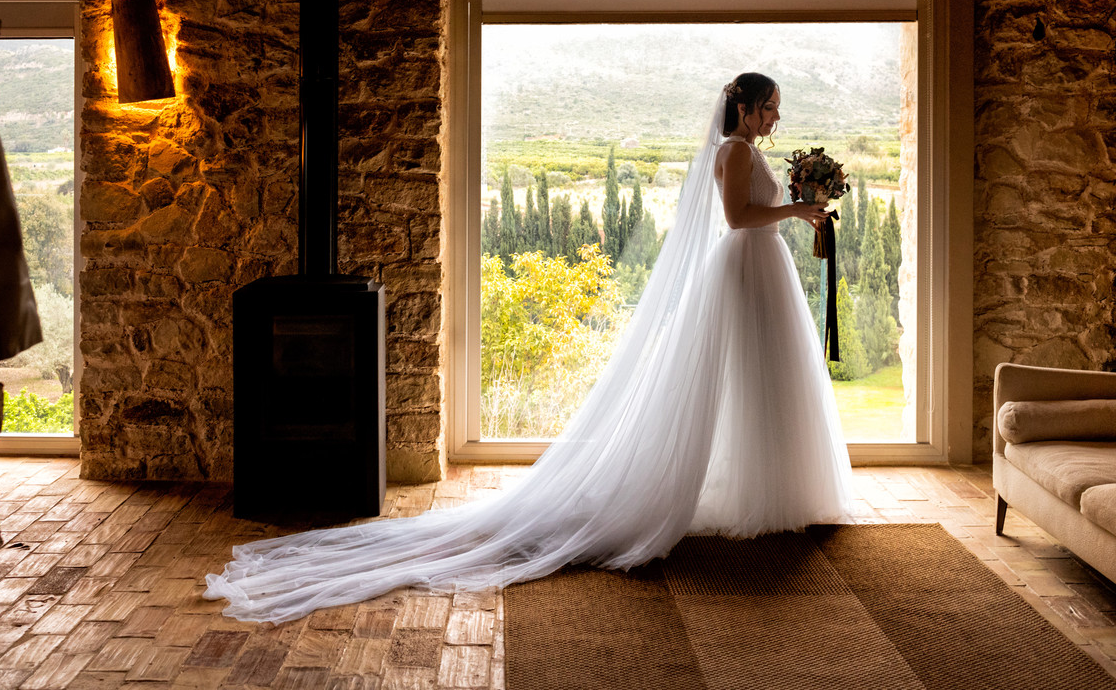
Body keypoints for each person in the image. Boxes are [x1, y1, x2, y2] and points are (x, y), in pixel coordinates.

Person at [204, 72, 854, 624]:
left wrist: (803, 205)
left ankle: (756, 488)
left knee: (757, 384)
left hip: (756, 272)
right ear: (745, 108)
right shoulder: (736, 151)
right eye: (769, 108)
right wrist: (799, 212)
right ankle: (749, 492)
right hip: (746, 267)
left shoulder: (738, 148)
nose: (775, 119)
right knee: (748, 380)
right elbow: (740, 219)